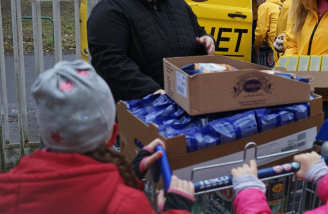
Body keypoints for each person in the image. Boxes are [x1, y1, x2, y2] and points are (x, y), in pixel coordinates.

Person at [0, 60, 195, 214]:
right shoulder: (127, 204)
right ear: (111, 134)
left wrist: (129, 174)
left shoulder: (7, 190)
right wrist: (177, 209)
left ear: (45, 131)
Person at [87, 0, 215, 101]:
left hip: (183, 104)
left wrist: (207, 40)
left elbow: (198, 32)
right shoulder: (111, 10)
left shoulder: (177, 3)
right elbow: (112, 64)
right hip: (140, 112)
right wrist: (153, 92)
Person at [253, 0, 281, 67]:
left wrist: (256, 46)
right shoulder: (280, 5)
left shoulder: (264, 6)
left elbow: (261, 31)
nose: (257, 6)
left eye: (257, 2)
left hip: (275, 44)